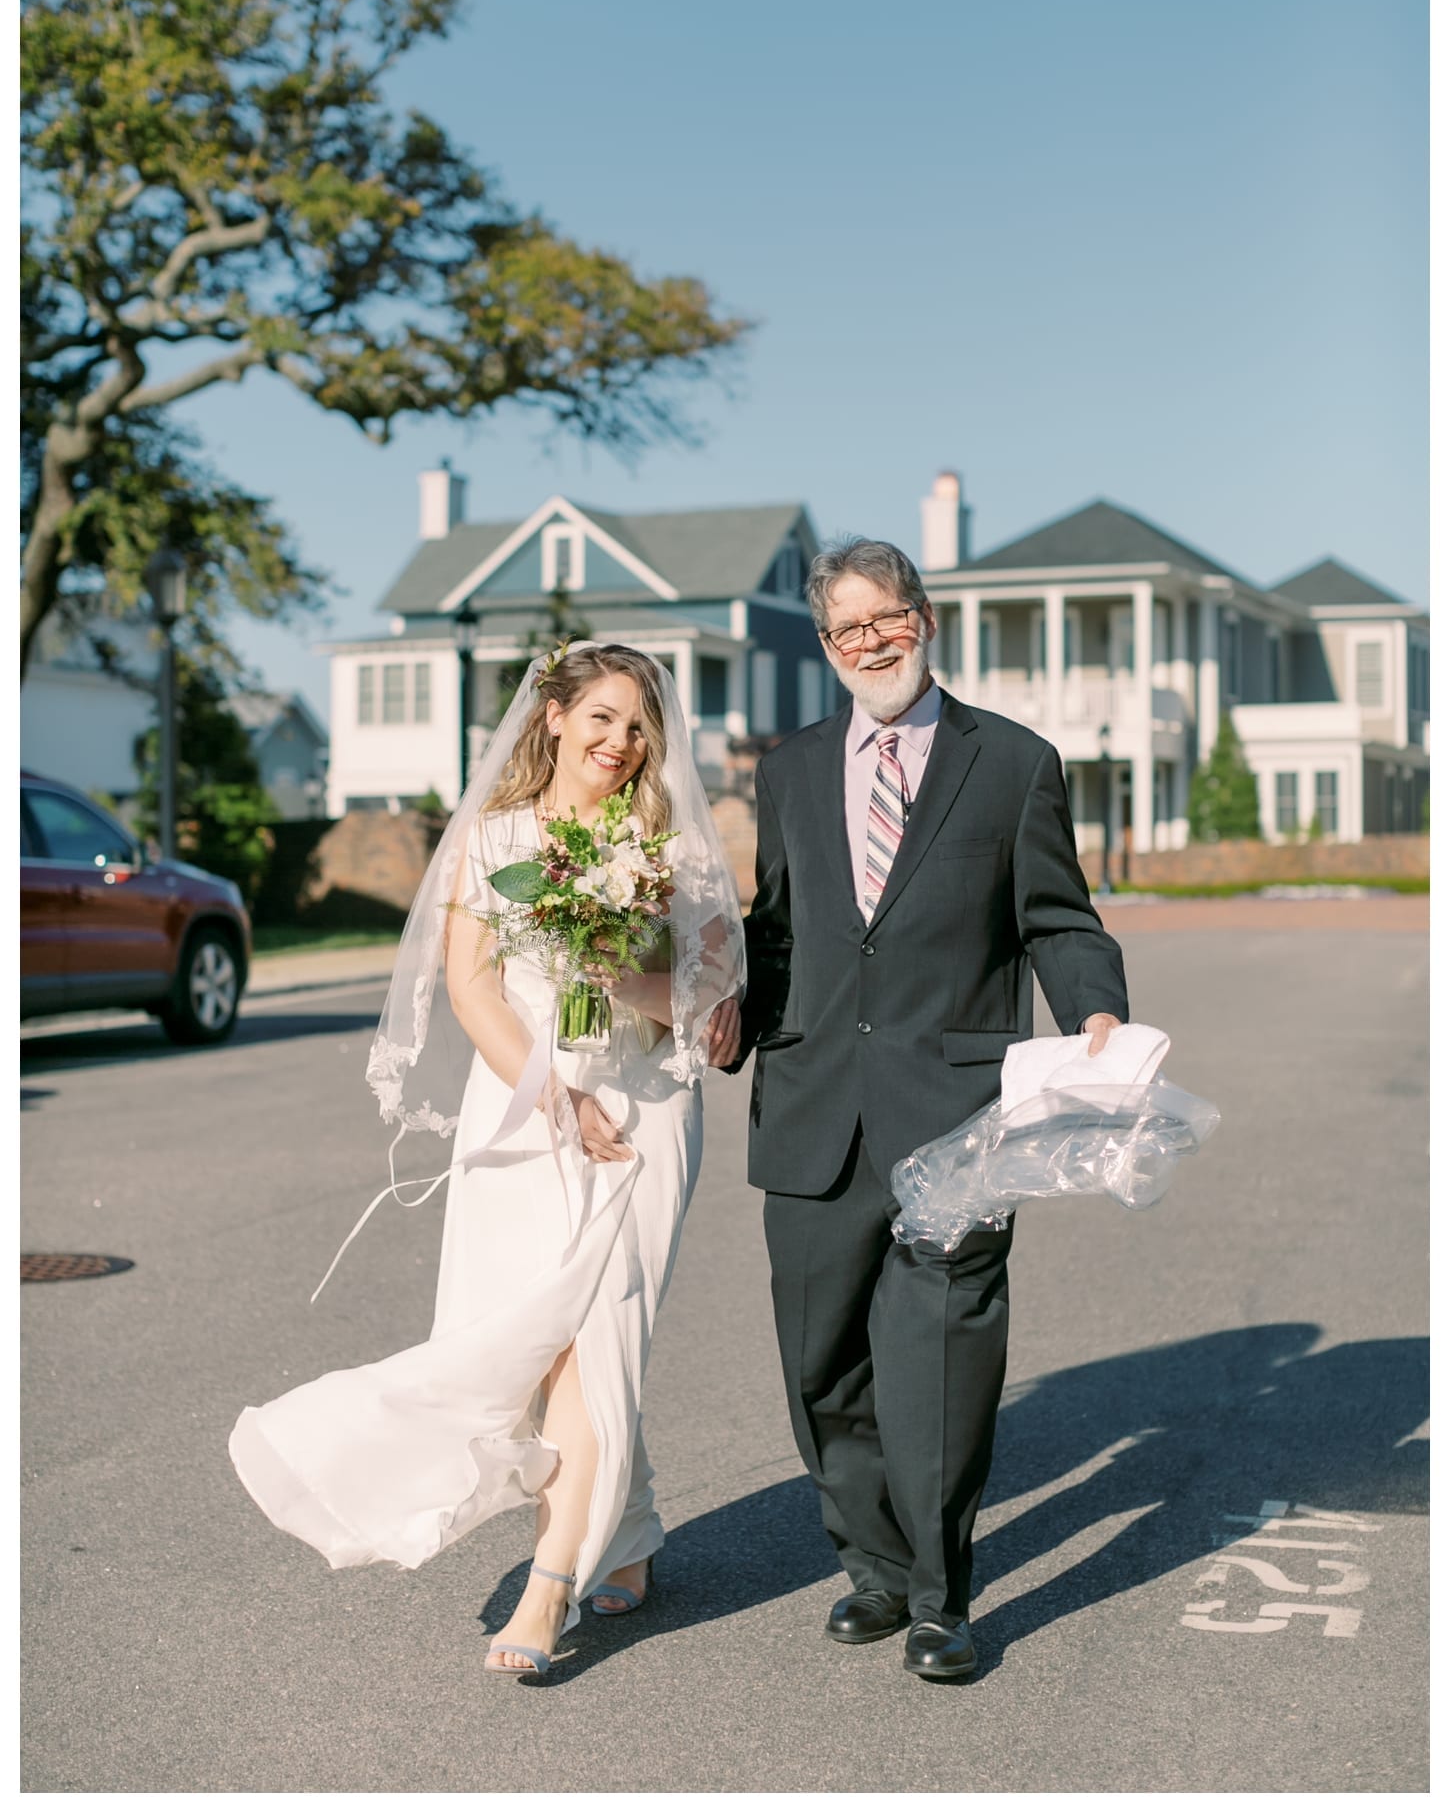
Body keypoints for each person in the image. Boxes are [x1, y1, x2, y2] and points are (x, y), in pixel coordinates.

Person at [230, 643, 744, 1678]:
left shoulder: (673, 847)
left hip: (639, 1111)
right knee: (534, 1341)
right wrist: (551, 1095)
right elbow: (470, 989)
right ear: (552, 717)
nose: (619, 742)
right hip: (520, 1108)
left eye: (639, 726)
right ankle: (628, 1533)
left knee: (596, 1341)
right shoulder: (491, 838)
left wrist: (622, 970)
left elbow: (714, 1012)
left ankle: (549, 1591)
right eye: (600, 717)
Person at [728, 539, 1129, 1682]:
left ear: (925, 618)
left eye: (885, 619)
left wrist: (1093, 1012)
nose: (870, 643)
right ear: (825, 645)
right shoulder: (790, 766)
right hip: (809, 1107)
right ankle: (873, 1567)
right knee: (821, 1363)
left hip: (955, 1114)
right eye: (846, 629)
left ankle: (942, 1596)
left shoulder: (1011, 762)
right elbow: (781, 930)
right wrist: (722, 1013)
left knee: (941, 1354)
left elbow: (1058, 918)